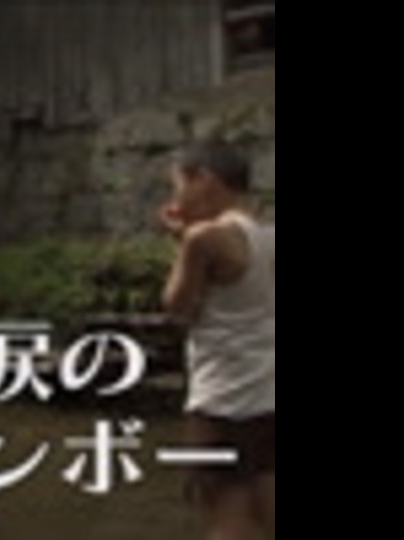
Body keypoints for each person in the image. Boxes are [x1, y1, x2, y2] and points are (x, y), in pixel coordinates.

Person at [160, 139, 275, 540]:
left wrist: (183, 244)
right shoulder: (269, 235)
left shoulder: (202, 239)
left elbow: (177, 307)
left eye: (178, 186)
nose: (176, 199)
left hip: (220, 403)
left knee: (226, 524)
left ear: (204, 181)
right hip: (269, 397)